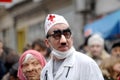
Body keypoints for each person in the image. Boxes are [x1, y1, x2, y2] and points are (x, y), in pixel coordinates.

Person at [41, 14, 104, 80]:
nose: (63, 41)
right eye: (57, 36)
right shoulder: (45, 71)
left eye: (66, 34)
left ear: (71, 38)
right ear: (47, 43)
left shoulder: (86, 64)